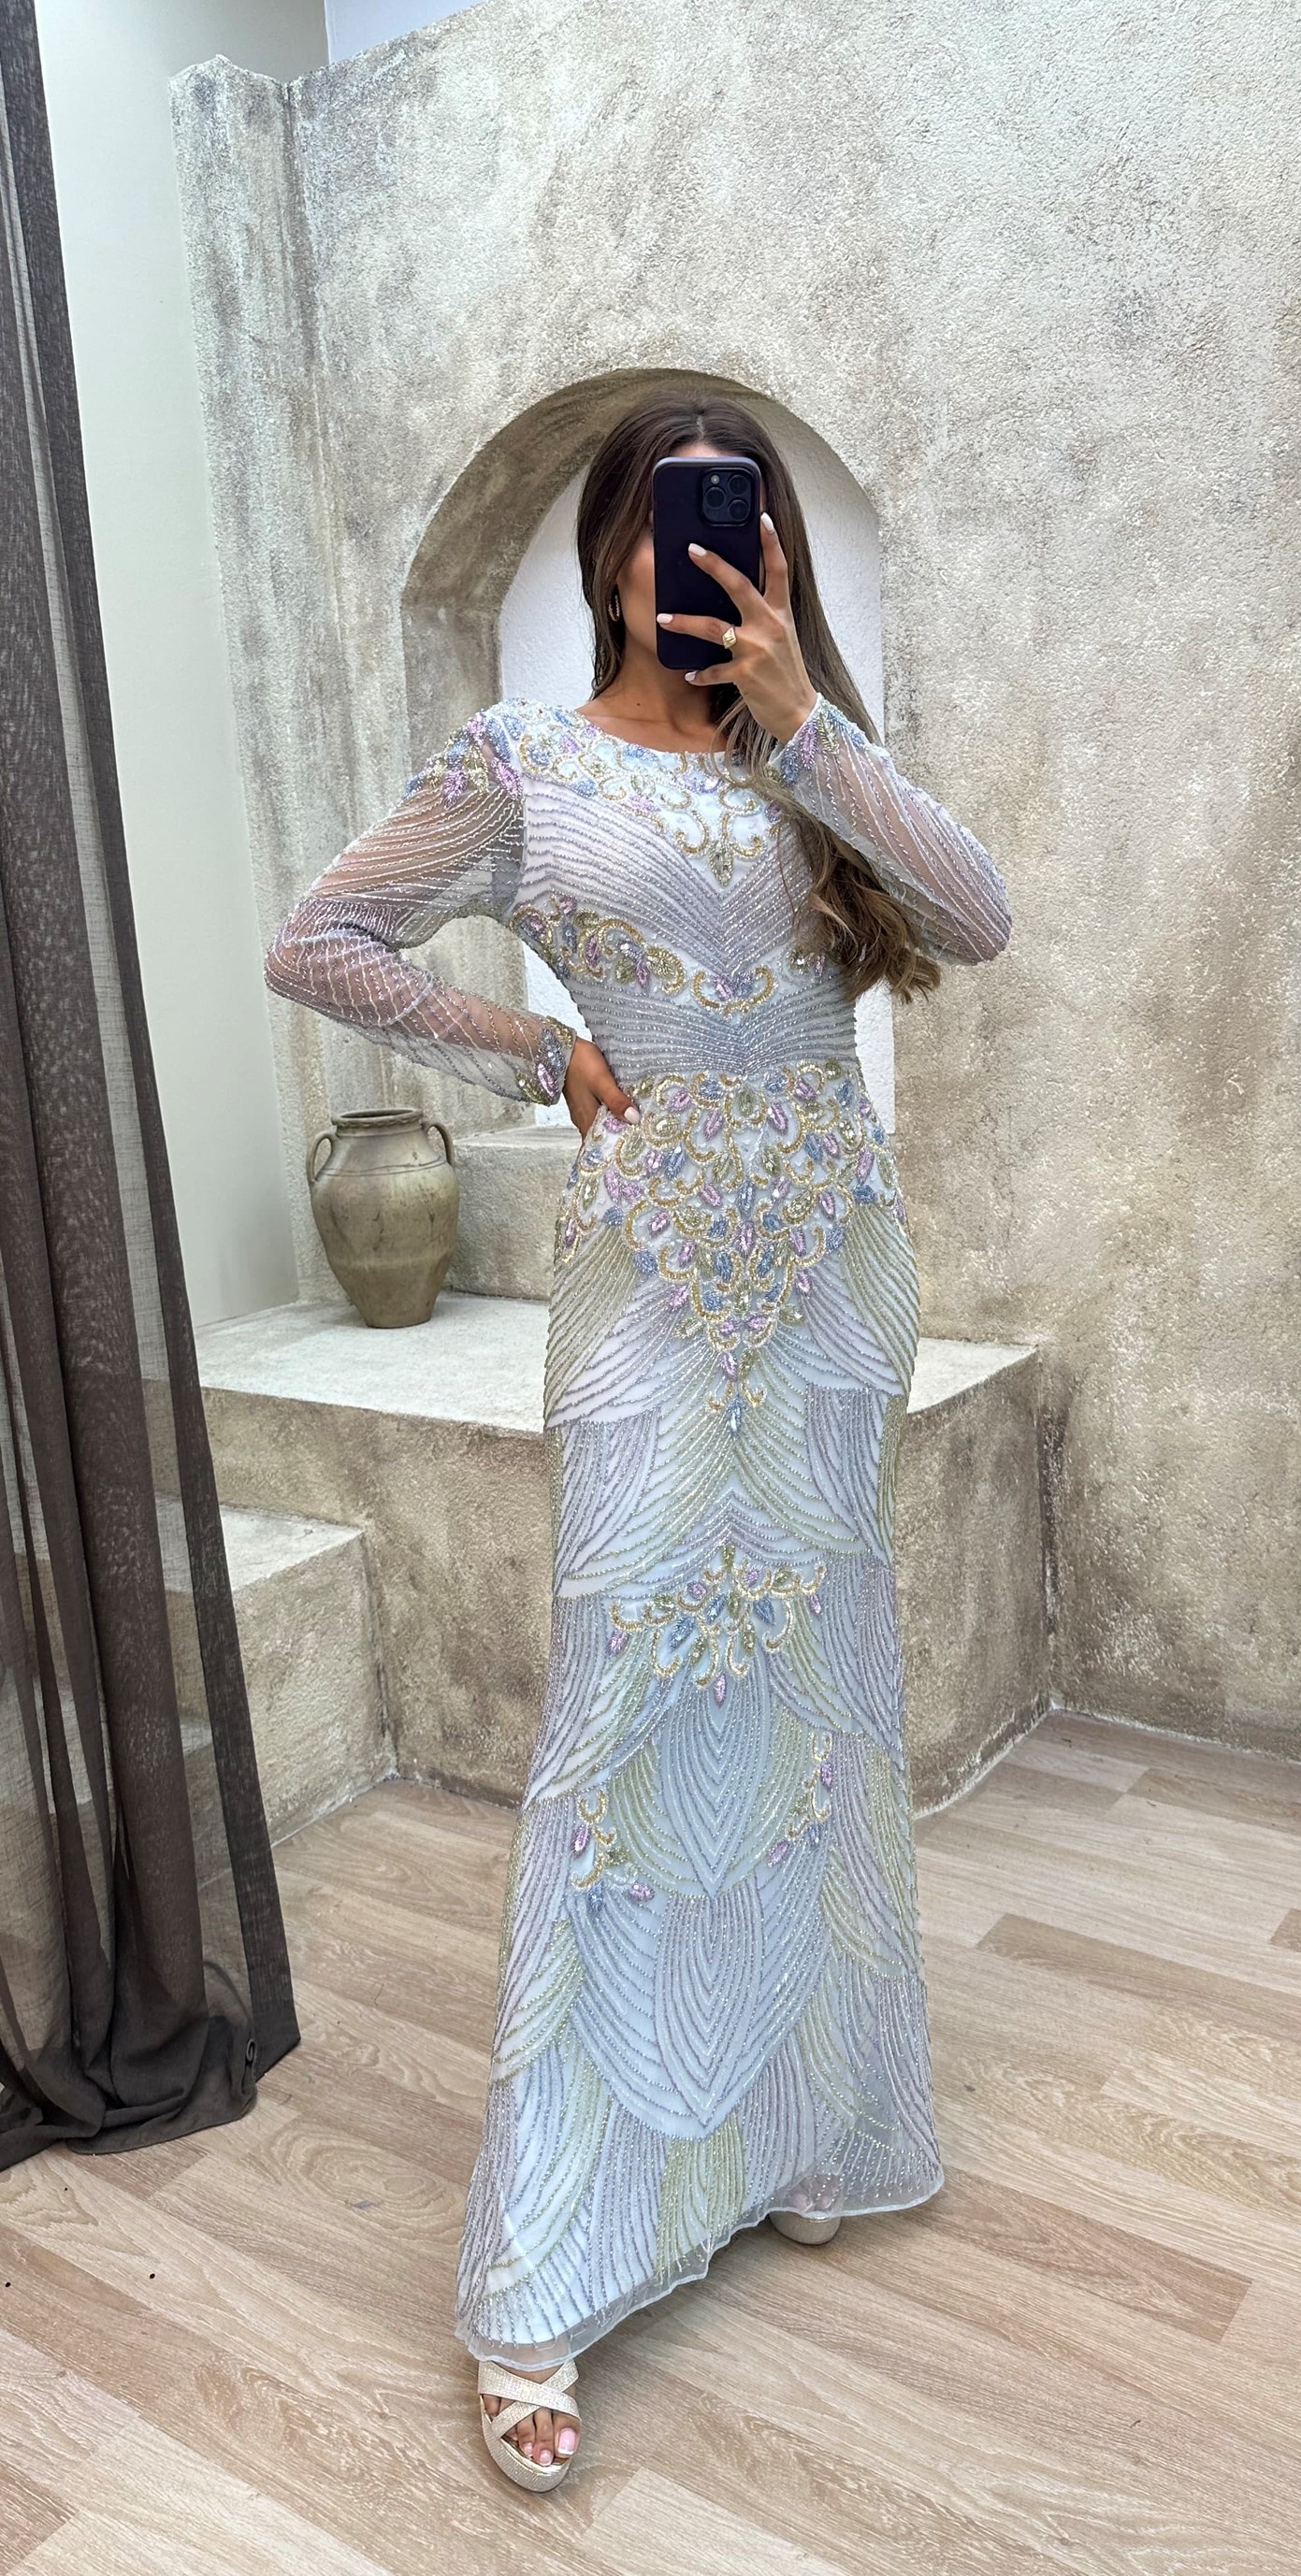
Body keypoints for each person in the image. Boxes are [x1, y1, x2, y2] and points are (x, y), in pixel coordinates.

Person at [263, 393, 1013, 2493]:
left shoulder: (804, 751)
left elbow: (976, 915)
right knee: (621, 1718)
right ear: (613, 551)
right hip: (654, 1288)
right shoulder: (518, 762)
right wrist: (532, 1043)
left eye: (743, 527)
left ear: (768, 561)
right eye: (678, 525)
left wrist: (802, 720)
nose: (705, 557)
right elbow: (317, 942)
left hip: (833, 1279)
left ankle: (788, 2122)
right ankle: (540, 2267)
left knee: (811, 1700)